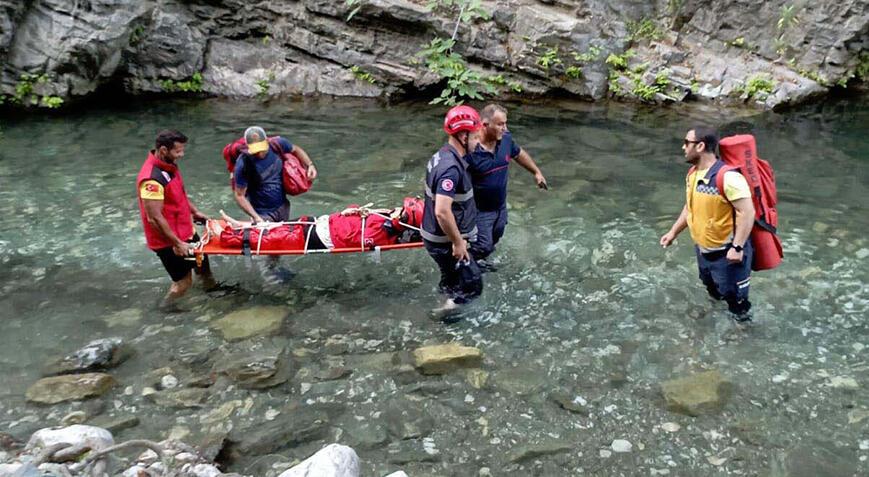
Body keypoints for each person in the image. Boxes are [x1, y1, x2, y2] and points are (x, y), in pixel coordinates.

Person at [660, 127, 756, 323]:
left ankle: (744, 336)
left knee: (737, 304)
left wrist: (737, 248)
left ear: (701, 145)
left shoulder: (728, 178)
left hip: (728, 255)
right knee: (713, 291)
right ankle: (716, 318)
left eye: (687, 142)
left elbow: (747, 212)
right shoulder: (693, 174)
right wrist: (673, 232)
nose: (683, 147)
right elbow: (690, 207)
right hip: (704, 252)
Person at [137, 130, 216, 306]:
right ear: (164, 150)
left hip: (186, 230)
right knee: (183, 283)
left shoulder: (168, 166)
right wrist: (177, 244)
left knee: (203, 268)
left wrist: (194, 212)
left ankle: (212, 292)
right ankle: (166, 308)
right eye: (178, 151)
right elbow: (154, 218)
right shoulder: (151, 181)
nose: (181, 155)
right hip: (169, 241)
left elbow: (178, 193)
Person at [467, 103, 547, 266]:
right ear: (485, 125)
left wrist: (536, 172)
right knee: (483, 245)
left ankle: (478, 264)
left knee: (494, 240)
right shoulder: (470, 151)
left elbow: (518, 154)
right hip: (479, 211)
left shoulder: (505, 140)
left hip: (500, 207)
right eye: (500, 124)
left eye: (505, 123)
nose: (505, 128)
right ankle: (461, 266)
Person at [422, 105, 484, 315]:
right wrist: (458, 242)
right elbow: (441, 210)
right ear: (462, 136)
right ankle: (445, 317)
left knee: (451, 277)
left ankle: (445, 297)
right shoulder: (451, 168)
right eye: (475, 137)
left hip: (437, 238)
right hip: (444, 242)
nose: (478, 143)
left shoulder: (442, 155)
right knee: (472, 286)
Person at [216, 197, 424, 252]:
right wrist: (353, 211)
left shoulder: (382, 233)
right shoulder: (385, 216)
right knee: (275, 226)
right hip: (317, 223)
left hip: (314, 237)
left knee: (269, 237)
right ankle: (240, 225)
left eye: (401, 209)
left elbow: (352, 240)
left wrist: (353, 217)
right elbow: (351, 220)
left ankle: (225, 237)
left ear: (402, 219)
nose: (397, 207)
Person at [232, 126, 317, 224]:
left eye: (262, 149)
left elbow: (295, 149)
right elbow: (239, 195)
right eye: (256, 150)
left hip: (283, 206)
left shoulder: (278, 145)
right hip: (262, 213)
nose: (260, 153)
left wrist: (310, 165)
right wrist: (256, 217)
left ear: (266, 141)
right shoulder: (243, 164)